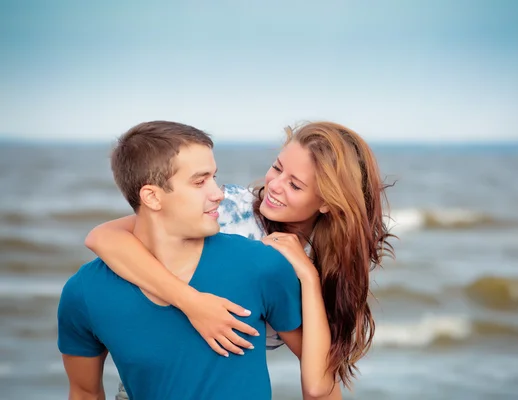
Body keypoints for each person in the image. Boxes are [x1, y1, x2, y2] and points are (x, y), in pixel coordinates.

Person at [86, 121, 395, 399]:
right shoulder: (229, 210)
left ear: (328, 202)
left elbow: (318, 386)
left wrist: (309, 277)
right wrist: (191, 303)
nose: (274, 185)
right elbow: (102, 237)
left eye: (295, 185)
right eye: (277, 168)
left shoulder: (323, 264)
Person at [58, 121, 303, 400]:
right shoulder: (84, 292)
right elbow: (84, 392)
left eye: (214, 177)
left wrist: (308, 275)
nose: (218, 193)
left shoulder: (261, 264)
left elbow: (319, 374)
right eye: (200, 182)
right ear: (151, 196)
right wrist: (191, 302)